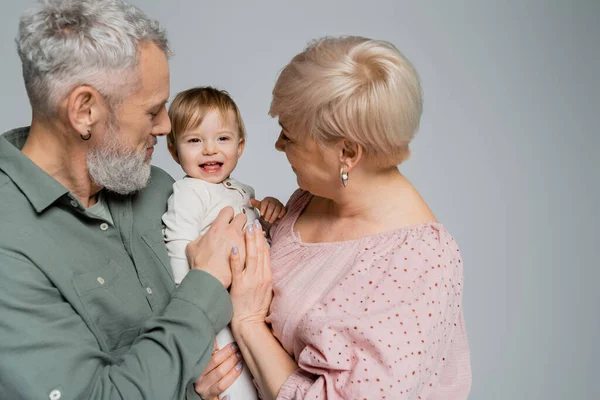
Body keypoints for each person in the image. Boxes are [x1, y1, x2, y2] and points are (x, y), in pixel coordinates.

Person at [0, 1, 251, 399]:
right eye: (152, 110)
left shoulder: (156, 186)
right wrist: (204, 289)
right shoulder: (8, 245)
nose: (166, 126)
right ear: (84, 111)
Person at [225, 36, 472, 399]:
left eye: (289, 135)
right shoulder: (311, 200)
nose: (278, 144)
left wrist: (246, 325)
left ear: (347, 152)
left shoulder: (419, 261)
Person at [162, 86, 286, 399]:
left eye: (222, 138)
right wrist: (192, 314)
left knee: (270, 377)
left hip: (256, 302)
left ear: (240, 145)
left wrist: (269, 217)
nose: (209, 150)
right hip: (218, 311)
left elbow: (259, 240)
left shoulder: (242, 190)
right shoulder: (190, 192)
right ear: (174, 150)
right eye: (194, 140)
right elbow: (177, 245)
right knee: (232, 377)